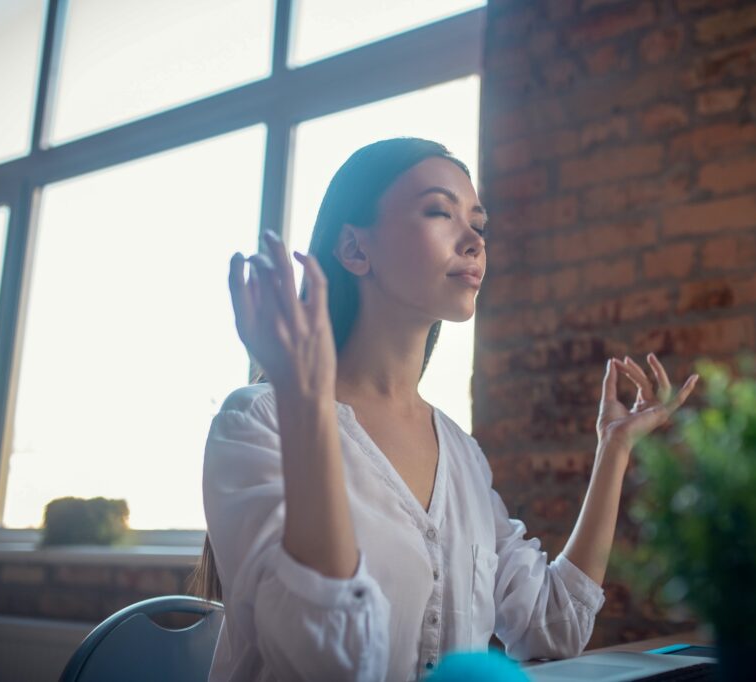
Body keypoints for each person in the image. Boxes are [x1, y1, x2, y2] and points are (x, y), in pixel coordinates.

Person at [197, 137, 699, 681]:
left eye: (479, 226)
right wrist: (306, 399)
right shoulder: (258, 421)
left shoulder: (461, 453)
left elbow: (550, 627)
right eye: (440, 211)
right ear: (355, 250)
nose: (474, 242)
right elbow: (327, 665)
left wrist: (614, 449)